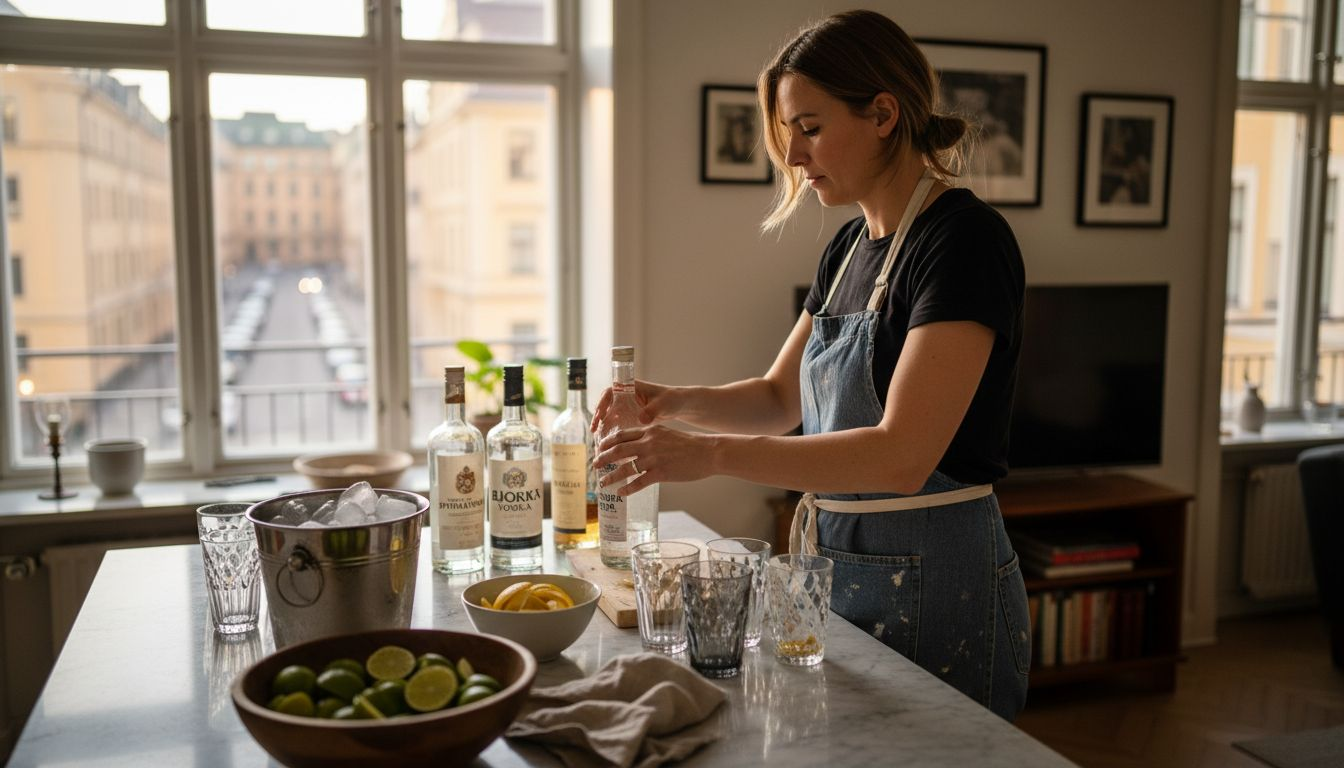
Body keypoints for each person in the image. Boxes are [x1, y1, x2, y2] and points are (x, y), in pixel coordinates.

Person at [592, 9, 1029, 720]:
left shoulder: (965, 242)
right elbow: (776, 397)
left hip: (944, 584)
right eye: (788, 134)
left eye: (810, 128)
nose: (793, 156)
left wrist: (705, 455)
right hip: (841, 570)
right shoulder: (850, 246)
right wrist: (665, 400)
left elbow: (900, 457)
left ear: (884, 113)